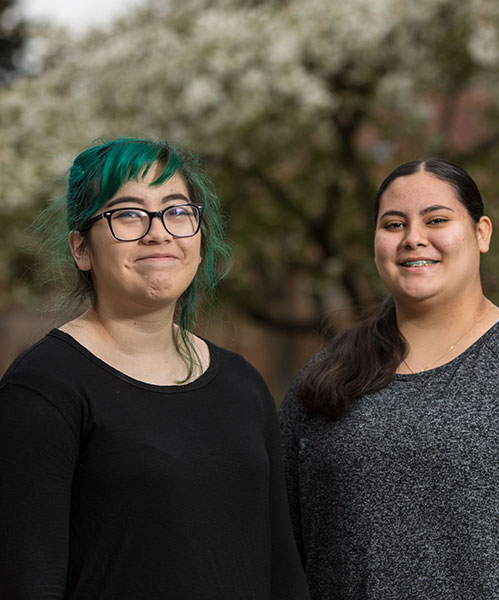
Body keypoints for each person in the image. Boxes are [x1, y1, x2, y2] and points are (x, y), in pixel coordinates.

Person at [0, 138, 310, 599]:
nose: (159, 232)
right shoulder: (43, 388)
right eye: (127, 214)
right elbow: (28, 581)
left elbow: (282, 572)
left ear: (200, 241)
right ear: (81, 250)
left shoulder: (243, 385)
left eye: (177, 211)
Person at [280, 157, 499, 599]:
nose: (414, 239)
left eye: (436, 220)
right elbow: (286, 550)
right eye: (393, 225)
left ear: (481, 232)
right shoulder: (323, 379)